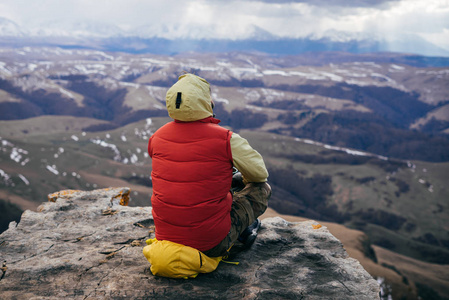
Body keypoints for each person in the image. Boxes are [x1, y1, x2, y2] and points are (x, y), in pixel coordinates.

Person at [148, 73, 271, 258]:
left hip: (166, 238)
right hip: (210, 245)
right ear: (206, 102)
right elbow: (259, 175)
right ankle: (240, 230)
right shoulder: (225, 139)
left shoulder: (157, 136)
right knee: (261, 189)